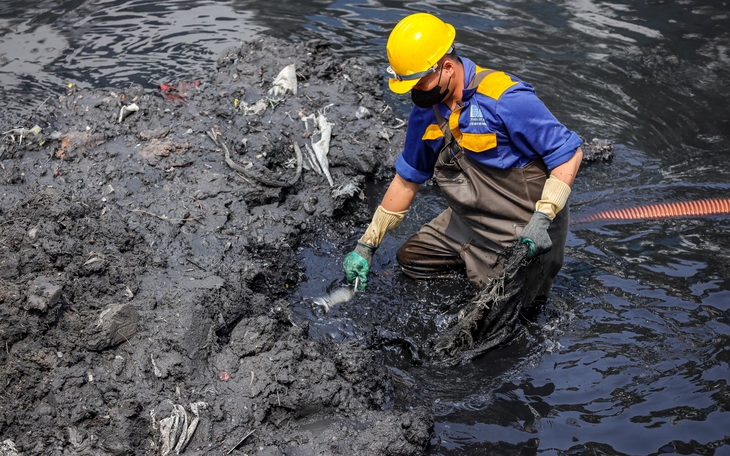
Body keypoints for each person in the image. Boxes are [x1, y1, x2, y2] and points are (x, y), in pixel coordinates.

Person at [343, 12, 583, 307]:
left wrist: (543, 218)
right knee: (411, 260)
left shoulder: (504, 99)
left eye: (419, 83)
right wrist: (367, 244)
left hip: (525, 229)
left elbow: (568, 154)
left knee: (505, 310)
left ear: (446, 67)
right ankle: (472, 266)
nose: (415, 93)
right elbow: (408, 178)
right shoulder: (425, 112)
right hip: (470, 220)